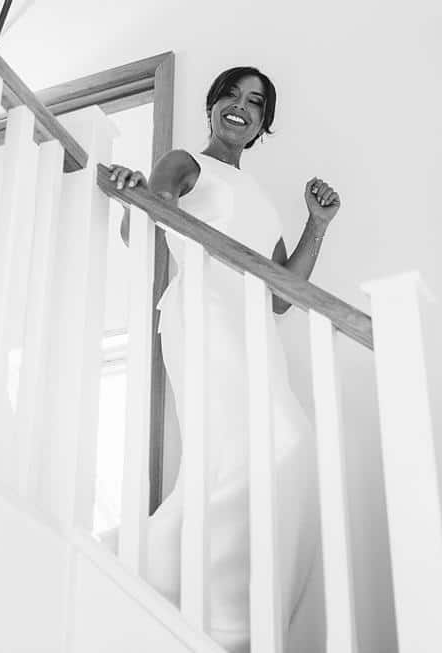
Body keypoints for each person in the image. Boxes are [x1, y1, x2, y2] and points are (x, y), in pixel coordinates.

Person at [104, 66, 341, 651]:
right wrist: (140, 196)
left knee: (280, 452)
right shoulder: (187, 161)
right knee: (266, 447)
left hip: (256, 332)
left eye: (256, 103)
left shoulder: (259, 197)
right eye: (232, 96)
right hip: (202, 313)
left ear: (263, 124)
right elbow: (147, 228)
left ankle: (224, 612)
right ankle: (153, 580)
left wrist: (317, 224)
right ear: (212, 105)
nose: (242, 107)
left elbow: (284, 296)